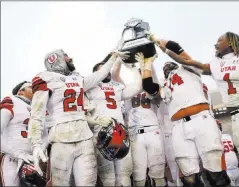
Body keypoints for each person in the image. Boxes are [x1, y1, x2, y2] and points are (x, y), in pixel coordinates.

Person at [147, 31, 239, 186]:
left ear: (231, 42)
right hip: (236, 118)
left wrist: (160, 42)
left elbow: (181, 55)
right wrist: (156, 51)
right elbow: (153, 85)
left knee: (216, 173)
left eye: (219, 40)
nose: (215, 43)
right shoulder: (215, 64)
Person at [28, 49, 128, 186]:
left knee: (88, 183)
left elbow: (99, 75)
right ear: (57, 60)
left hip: (84, 137)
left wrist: (113, 57)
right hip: (60, 138)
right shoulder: (46, 78)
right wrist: (36, 145)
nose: (70, 59)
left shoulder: (77, 78)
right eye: (66, 57)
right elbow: (36, 114)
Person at [140, 38, 231, 186]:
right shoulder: (164, 84)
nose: (166, 66)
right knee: (189, 178)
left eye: (169, 64)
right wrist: (148, 62)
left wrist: (156, 40)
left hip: (201, 119)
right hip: (178, 127)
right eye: (164, 66)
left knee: (216, 174)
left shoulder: (188, 68)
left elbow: (175, 47)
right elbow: (148, 86)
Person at [85, 53, 143, 186]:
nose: (107, 72)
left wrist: (134, 68)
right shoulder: (89, 87)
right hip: (100, 132)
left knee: (124, 176)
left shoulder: (116, 86)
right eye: (103, 69)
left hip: (119, 132)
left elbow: (137, 88)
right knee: (108, 179)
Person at [123, 55, 166, 187]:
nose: (141, 74)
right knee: (138, 175)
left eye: (142, 72)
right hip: (135, 134)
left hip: (153, 131)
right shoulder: (128, 89)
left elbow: (155, 83)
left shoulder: (153, 87)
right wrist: (124, 62)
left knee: (158, 171)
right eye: (139, 72)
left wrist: (147, 63)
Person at [0, 81, 34, 186]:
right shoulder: (12, 101)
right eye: (31, 87)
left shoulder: (39, 107)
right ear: (21, 92)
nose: (36, 89)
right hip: (12, 158)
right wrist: (16, 153)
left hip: (32, 159)